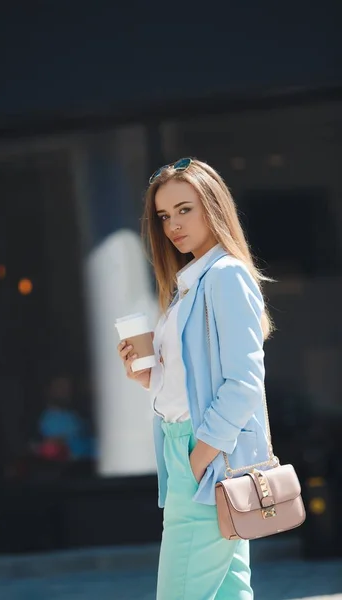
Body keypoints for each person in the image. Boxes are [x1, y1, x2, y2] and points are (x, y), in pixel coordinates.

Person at [117, 158, 274, 599]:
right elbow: (193, 385)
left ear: (213, 207)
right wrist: (149, 375)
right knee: (227, 592)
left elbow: (244, 379)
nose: (173, 226)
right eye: (164, 216)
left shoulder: (224, 276)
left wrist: (200, 457)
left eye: (185, 209)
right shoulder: (190, 284)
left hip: (205, 456)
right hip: (187, 449)